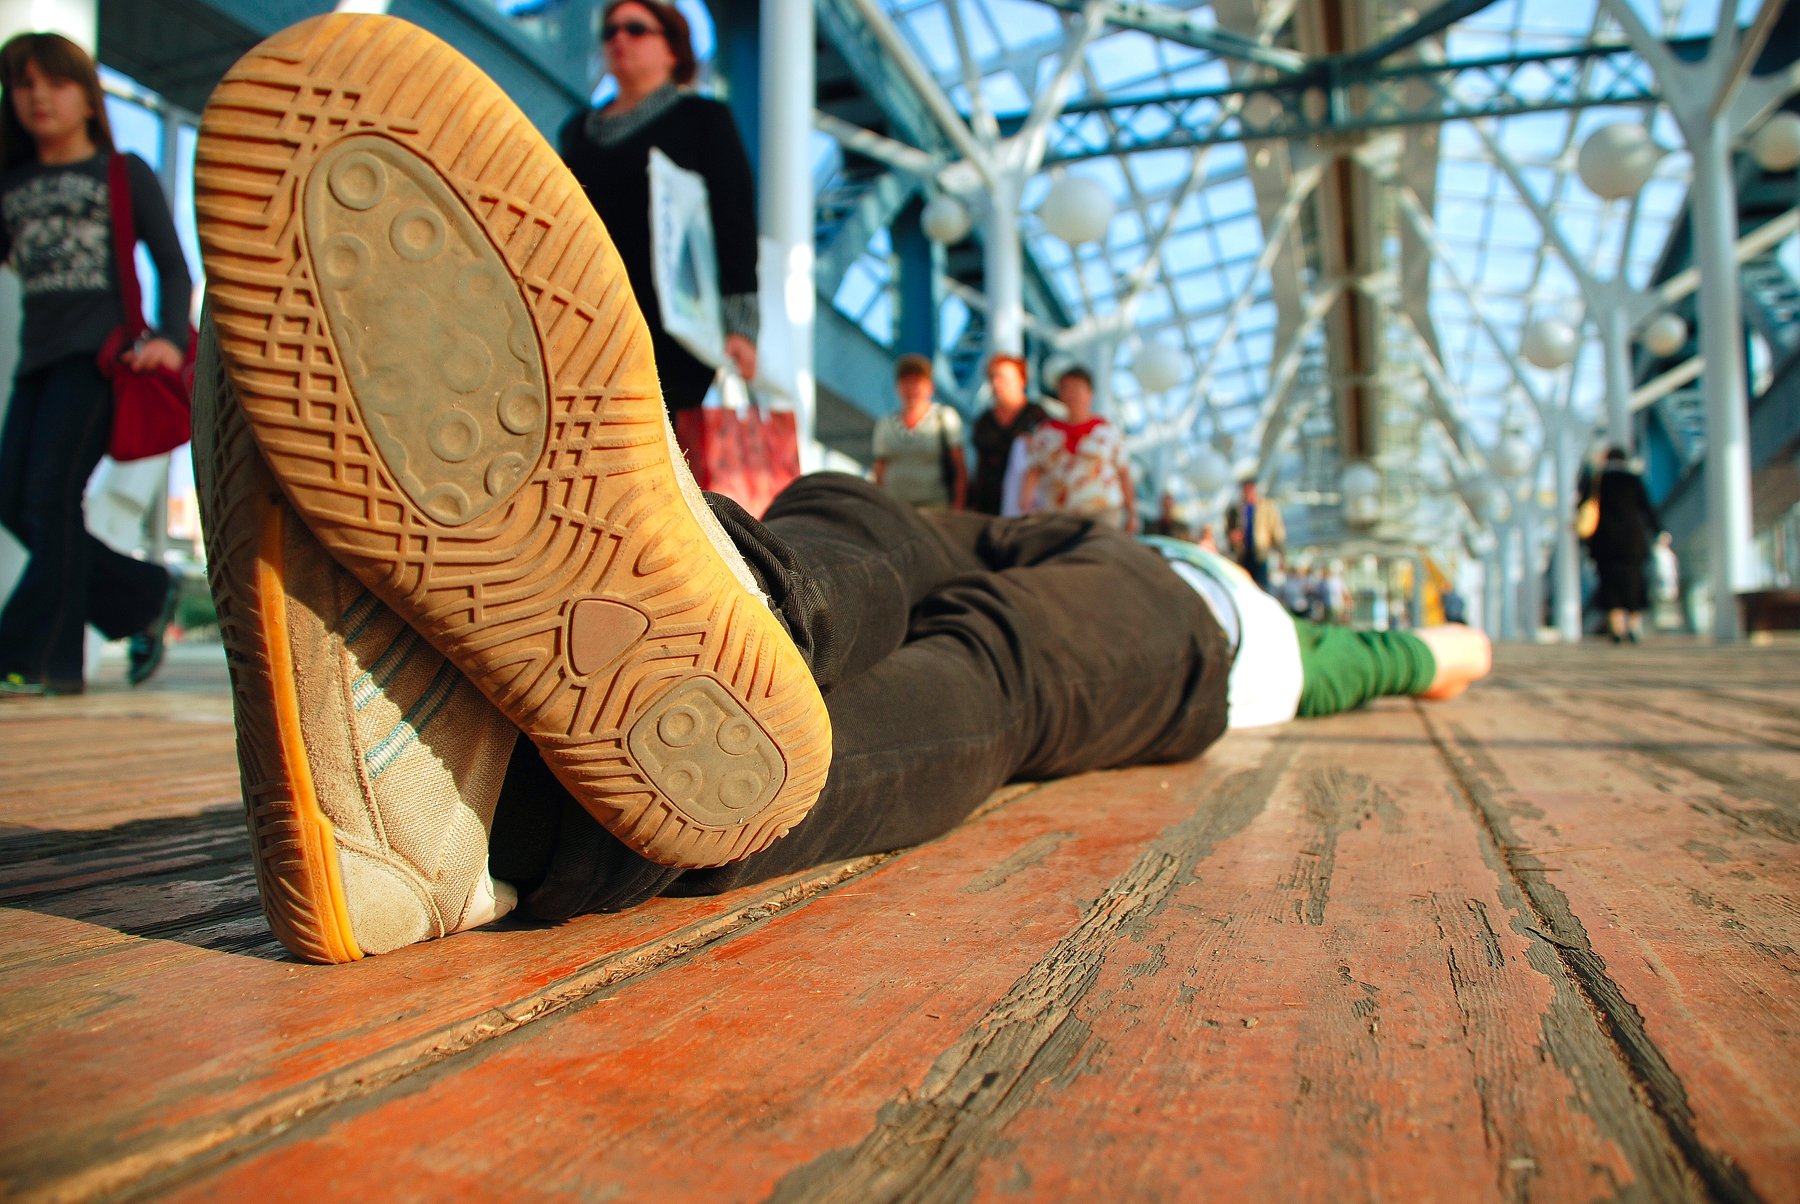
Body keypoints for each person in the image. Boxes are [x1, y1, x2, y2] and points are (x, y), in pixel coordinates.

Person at [189, 12, 1493, 963]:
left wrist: (1437, 645)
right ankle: (608, 715)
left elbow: (1406, 654)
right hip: (1118, 571)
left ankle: (534, 787)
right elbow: (1419, 654)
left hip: (1169, 598)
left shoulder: (1288, 628)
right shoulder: (1247, 593)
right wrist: (1447, 647)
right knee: (905, 562)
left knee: (955, 616)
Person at [0, 32, 187, 696]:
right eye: (24, 84)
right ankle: (142, 594)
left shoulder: (122, 172)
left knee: (48, 501)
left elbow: (172, 264)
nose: (39, 97)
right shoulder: (11, 184)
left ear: (86, 97)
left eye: (56, 82)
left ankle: (33, 659)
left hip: (101, 359)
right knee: (14, 503)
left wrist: (169, 337)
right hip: (37, 362)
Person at [558, 0, 758, 429]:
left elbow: (734, 217)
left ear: (672, 49)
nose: (619, 39)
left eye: (635, 28)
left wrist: (741, 326)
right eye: (610, 31)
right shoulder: (576, 132)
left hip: (672, 333)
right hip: (583, 322)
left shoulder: (703, 119)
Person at [1016, 365, 1135, 530]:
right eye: (1066, 388)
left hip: (1102, 511)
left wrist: (1132, 512)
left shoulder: (1108, 430)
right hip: (1058, 514)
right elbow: (1033, 470)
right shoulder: (1046, 432)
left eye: (1077, 388)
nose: (1072, 394)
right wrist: (1024, 506)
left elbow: (1123, 472)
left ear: (1090, 393)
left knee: (1099, 545)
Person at [1579, 446, 1660, 644]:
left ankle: (1616, 628)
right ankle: (1633, 627)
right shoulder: (1633, 480)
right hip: (1631, 541)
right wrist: (1658, 531)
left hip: (1605, 542)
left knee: (1610, 584)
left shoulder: (1598, 480)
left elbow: (1584, 505)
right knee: (1634, 582)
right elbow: (1646, 508)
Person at [870, 353, 966, 510]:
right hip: (895, 508)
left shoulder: (945, 418)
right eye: (906, 383)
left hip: (935, 509)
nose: (912, 389)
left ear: (930, 386)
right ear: (898, 387)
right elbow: (879, 471)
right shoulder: (885, 424)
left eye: (917, 382)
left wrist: (957, 509)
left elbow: (960, 469)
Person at [968, 353, 1047, 516]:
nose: (997, 384)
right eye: (993, 378)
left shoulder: (1038, 417)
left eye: (1003, 378)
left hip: (1026, 507)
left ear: (1021, 380)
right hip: (989, 505)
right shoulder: (984, 421)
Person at [1224, 478, 1284, 591]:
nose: (1247, 492)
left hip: (1261, 554)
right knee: (1243, 586)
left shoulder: (1267, 507)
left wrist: (1280, 553)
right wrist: (1233, 538)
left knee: (1261, 587)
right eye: (1245, 489)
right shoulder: (1236, 510)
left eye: (1250, 489)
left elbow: (1276, 530)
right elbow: (1228, 530)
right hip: (1242, 555)